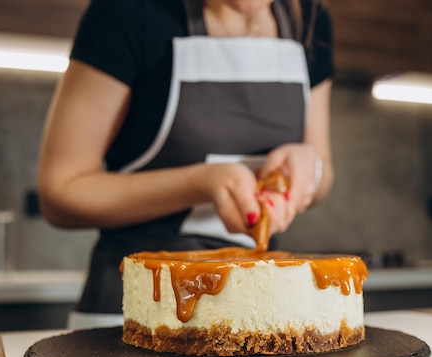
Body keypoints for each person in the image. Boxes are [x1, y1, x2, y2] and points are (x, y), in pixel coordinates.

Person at [37, 0, 335, 328]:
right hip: (134, 311)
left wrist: (309, 168)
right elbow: (61, 191)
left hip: (253, 310)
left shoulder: (309, 20)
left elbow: (322, 177)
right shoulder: (128, 12)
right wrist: (201, 183)